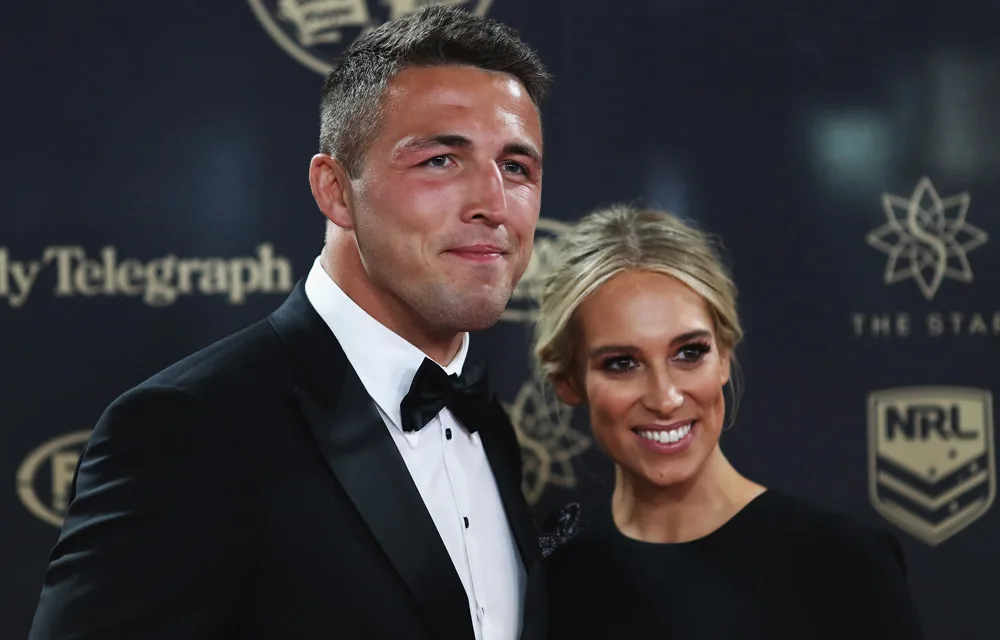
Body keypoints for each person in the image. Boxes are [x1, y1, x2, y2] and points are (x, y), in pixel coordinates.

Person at [28, 7, 551, 639]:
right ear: (334, 190)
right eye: (441, 160)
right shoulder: (190, 430)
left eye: (517, 168)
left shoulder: (489, 426)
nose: (494, 205)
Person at [532, 204, 926, 639]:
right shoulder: (550, 572)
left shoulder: (844, 565)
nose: (665, 398)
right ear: (569, 381)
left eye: (689, 353)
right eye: (622, 363)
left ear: (724, 356)